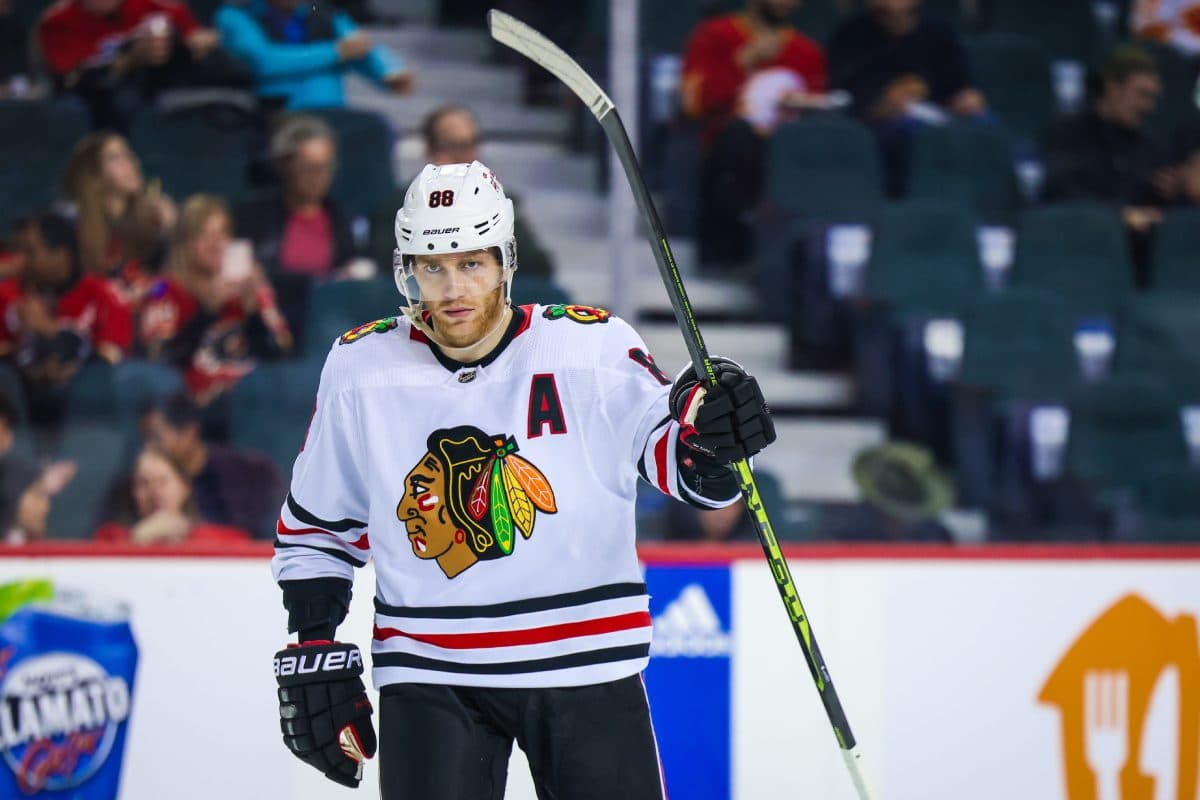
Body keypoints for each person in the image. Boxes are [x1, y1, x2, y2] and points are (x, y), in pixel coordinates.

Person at [268, 160, 776, 796]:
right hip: (431, 671)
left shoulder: (591, 349)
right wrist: (313, 640)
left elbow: (691, 472)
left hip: (586, 665)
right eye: (433, 266)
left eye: (471, 263)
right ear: (407, 271)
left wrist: (718, 432)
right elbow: (317, 531)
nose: (452, 288)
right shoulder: (360, 368)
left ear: (505, 261)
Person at [681, 0, 828, 268]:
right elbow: (693, 104)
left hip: (788, 156)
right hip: (727, 153)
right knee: (740, 138)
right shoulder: (714, 34)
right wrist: (743, 61)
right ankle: (727, 259)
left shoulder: (806, 51)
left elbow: (816, 115)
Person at [369, 104, 556, 279]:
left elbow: (538, 265)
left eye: (470, 144)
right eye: (453, 145)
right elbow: (391, 266)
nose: (464, 156)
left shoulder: (499, 204)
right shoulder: (397, 206)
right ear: (430, 149)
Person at [139, 194, 292, 404]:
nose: (217, 243)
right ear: (184, 243)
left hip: (256, 400)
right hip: (195, 405)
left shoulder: (250, 286)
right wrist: (208, 311)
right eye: (204, 234)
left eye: (222, 233)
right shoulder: (164, 289)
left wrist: (254, 312)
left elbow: (281, 352)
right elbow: (159, 360)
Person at [828, 0, 987, 195]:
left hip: (938, 117)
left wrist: (967, 99)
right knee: (912, 133)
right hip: (878, 126)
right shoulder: (849, 35)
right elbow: (844, 98)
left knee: (985, 124)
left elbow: (962, 87)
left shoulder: (940, 32)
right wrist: (884, 105)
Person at [236, 114, 360, 336]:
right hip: (271, 320)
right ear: (284, 166)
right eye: (309, 168)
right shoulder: (252, 216)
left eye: (326, 168)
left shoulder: (340, 217)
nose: (319, 177)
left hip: (327, 322)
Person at [36, 0, 229, 129]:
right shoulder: (59, 21)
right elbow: (73, 81)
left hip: (159, 95)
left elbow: (198, 37)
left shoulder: (149, 6)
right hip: (99, 113)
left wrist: (202, 42)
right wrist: (130, 59)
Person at [0, 212, 132, 389]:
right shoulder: (12, 295)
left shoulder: (106, 295)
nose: (21, 261)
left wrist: (47, 330)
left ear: (62, 255)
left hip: (87, 402)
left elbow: (112, 365)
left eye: (31, 253)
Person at [1042, 46, 1169, 227]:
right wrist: (1120, 215)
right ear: (1113, 87)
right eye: (1142, 94)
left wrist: (1178, 190)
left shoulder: (1148, 147)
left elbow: (1154, 207)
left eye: (1153, 98)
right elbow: (1062, 193)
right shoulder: (1065, 135)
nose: (1148, 107)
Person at [214, 0, 412, 110]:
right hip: (274, 113)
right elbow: (264, 62)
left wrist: (390, 72)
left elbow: (358, 46)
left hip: (332, 113)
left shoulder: (322, 12)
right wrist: (335, 52)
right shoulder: (237, 15)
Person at [141, 392, 284, 538]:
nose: (149, 445)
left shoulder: (247, 473)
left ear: (189, 433)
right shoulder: (143, 485)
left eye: (156, 437)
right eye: (145, 437)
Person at [60, 132, 177, 311]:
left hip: (147, 317)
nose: (131, 163)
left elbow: (168, 286)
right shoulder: (74, 222)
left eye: (129, 155)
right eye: (115, 157)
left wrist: (171, 230)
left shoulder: (153, 221)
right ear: (94, 174)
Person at [95, 447, 251, 544]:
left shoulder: (224, 538)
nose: (154, 491)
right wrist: (139, 538)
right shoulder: (110, 536)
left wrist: (184, 537)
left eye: (162, 482)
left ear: (184, 487)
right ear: (133, 492)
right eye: (144, 483)